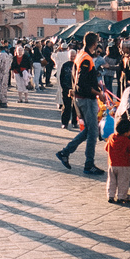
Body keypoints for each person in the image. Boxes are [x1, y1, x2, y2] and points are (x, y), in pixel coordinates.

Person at [55, 32, 105, 175]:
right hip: (86, 99)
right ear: (94, 44)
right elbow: (82, 83)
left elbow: (79, 79)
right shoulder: (86, 59)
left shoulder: (80, 55)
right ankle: (88, 164)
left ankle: (66, 152)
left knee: (89, 130)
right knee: (93, 131)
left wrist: (97, 85)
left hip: (81, 97)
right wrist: (98, 93)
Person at [105, 117, 130, 204]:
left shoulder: (111, 137)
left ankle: (110, 195)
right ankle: (122, 197)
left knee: (111, 181)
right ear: (126, 132)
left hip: (112, 165)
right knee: (123, 182)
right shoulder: (126, 140)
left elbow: (106, 148)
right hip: (124, 165)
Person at [58, 50, 78, 129]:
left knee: (75, 107)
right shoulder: (65, 65)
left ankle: (74, 122)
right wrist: (64, 87)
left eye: (74, 56)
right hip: (66, 88)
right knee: (66, 106)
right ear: (68, 56)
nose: (72, 57)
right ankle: (64, 123)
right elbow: (61, 77)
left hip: (76, 89)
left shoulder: (77, 65)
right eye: (71, 56)